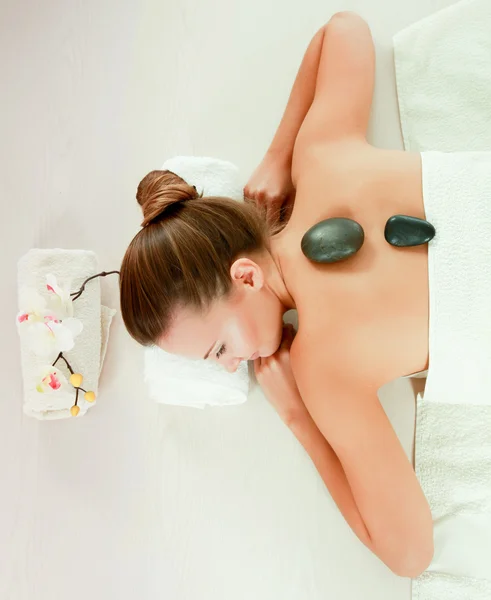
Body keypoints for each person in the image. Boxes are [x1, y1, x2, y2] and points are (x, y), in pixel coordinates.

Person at [120, 11, 433, 577]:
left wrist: (299, 420)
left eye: (217, 350)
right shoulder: (322, 158)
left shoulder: (323, 372)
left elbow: (409, 555)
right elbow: (344, 30)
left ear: (245, 277)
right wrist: (280, 153)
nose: (230, 366)